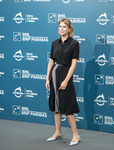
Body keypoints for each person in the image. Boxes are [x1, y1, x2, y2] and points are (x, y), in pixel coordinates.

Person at [45, 18, 81, 146]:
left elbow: (73, 65)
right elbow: (51, 61)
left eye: (64, 27)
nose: (61, 29)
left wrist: (66, 80)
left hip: (65, 75)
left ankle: (76, 135)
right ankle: (57, 132)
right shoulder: (54, 43)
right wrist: (47, 78)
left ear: (69, 29)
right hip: (54, 75)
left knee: (67, 106)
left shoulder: (74, 44)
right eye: (60, 26)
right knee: (56, 106)